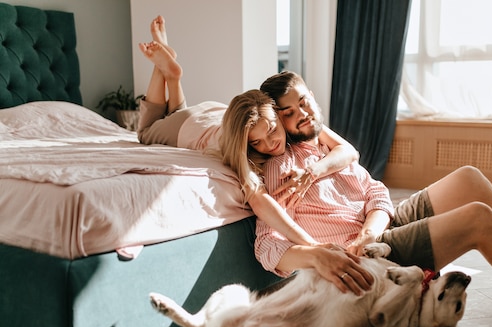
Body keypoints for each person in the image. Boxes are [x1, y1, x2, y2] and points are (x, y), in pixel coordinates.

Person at [254, 70, 492, 327]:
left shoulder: (325, 143)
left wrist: (373, 224)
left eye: (303, 103)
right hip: (374, 254)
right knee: (477, 219)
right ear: (276, 121)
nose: (302, 114)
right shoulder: (280, 169)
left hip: (379, 226)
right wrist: (324, 253)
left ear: (312, 97)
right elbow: (267, 243)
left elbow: (375, 191)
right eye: (288, 113)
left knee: (468, 177)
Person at [134, 17, 372, 290]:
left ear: (277, 115)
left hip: (214, 112)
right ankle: (166, 72)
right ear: (247, 143)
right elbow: (259, 202)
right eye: (256, 143)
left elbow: (349, 151)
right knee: (146, 131)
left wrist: (312, 172)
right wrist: (312, 245)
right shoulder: (241, 145)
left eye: (272, 130)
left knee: (176, 111)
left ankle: (172, 74)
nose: (270, 144)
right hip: (189, 127)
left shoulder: (285, 116)